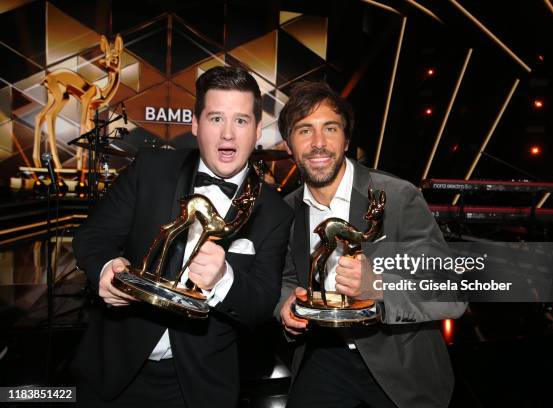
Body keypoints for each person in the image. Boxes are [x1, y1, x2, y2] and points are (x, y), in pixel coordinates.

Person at [72, 66, 293, 408]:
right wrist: (104, 270)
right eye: (216, 118)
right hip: (113, 372)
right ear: (195, 124)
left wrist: (224, 279)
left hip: (199, 388)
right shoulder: (150, 170)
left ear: (257, 129)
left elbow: (261, 305)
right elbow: (93, 235)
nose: (228, 135)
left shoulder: (275, 212)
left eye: (241, 121)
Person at [275, 81, 466, 408]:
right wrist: (283, 306)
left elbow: (451, 293)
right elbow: (288, 278)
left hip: (400, 362)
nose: (318, 143)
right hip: (323, 355)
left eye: (330, 128)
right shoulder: (287, 210)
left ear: (346, 139)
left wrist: (377, 286)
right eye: (304, 130)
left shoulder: (398, 198)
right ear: (289, 146)